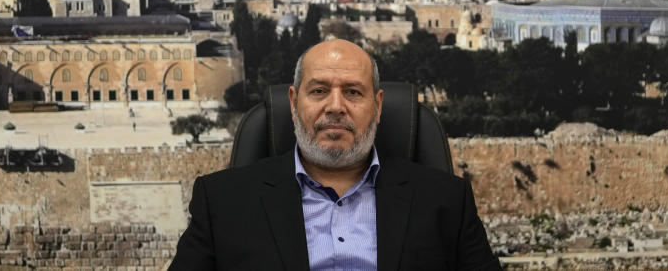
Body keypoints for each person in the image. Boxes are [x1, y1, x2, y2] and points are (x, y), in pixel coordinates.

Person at [169, 39, 501, 270]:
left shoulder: (445, 202)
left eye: (353, 93)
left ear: (378, 105)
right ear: (294, 101)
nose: (336, 107)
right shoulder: (223, 202)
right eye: (319, 91)